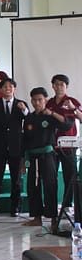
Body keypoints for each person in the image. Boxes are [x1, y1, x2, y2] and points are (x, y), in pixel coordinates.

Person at [22, 87, 72, 231]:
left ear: (45, 100)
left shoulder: (50, 115)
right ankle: (36, 218)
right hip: (32, 157)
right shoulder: (28, 118)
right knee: (33, 187)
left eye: (40, 100)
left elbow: (67, 125)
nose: (37, 103)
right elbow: (25, 140)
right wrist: (23, 161)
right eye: (34, 100)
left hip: (48, 155)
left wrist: (53, 113)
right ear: (31, 101)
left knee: (50, 185)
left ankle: (53, 218)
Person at [0, 78, 28, 216]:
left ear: (14, 88)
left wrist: (24, 110)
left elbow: (28, 119)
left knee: (16, 180)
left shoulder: (21, 104)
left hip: (16, 147)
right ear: (0, 90)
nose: (8, 88)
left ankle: (15, 207)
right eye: (5, 86)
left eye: (10, 86)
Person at [47, 74, 82, 212]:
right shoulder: (49, 103)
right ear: (52, 86)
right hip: (52, 146)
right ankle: (52, 208)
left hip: (68, 146)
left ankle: (67, 206)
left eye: (62, 84)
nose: (59, 87)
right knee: (51, 177)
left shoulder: (72, 101)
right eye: (56, 84)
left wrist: (73, 108)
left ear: (66, 86)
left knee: (70, 176)